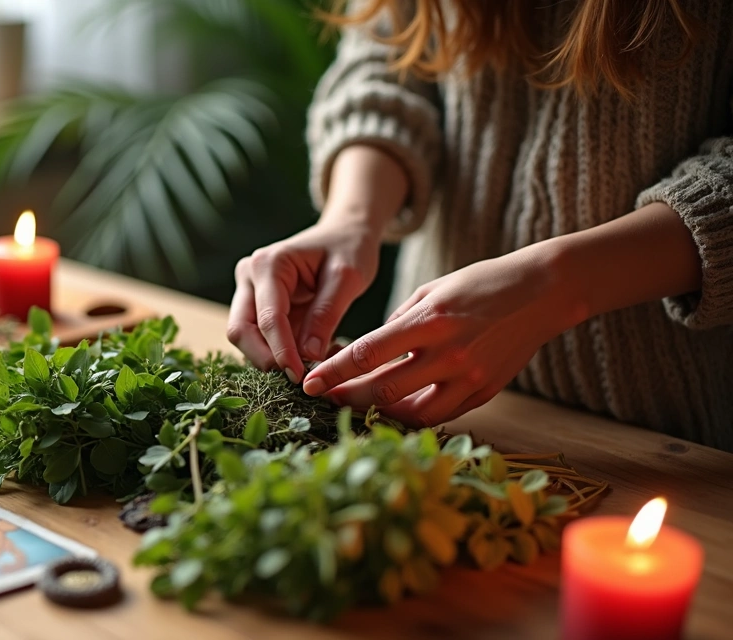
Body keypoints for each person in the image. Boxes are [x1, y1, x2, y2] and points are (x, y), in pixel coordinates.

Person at [228, 0, 733, 451]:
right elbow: (388, 56)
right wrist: (351, 219)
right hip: (425, 401)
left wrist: (557, 284)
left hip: (665, 440)